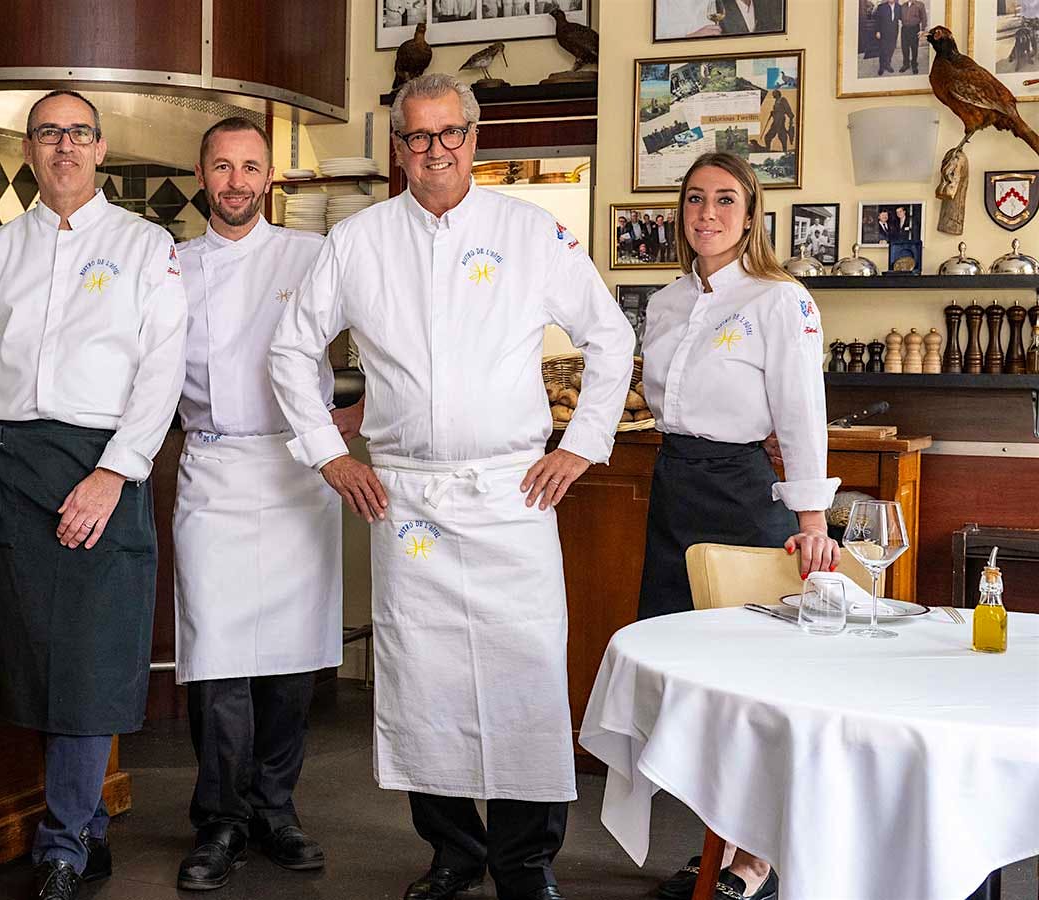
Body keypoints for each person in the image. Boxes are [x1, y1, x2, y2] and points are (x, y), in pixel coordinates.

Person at [269, 72, 634, 900]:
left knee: (525, 674)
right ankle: (453, 851)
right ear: (399, 148)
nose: (433, 151)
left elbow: (609, 337)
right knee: (422, 678)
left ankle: (524, 861)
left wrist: (581, 444)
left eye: (448, 134)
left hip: (514, 494)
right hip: (408, 501)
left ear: (475, 139)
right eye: (416, 138)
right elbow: (291, 351)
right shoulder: (358, 241)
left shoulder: (531, 231)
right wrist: (330, 453)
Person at [0, 90, 187, 900]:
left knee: (91, 658)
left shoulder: (146, 246)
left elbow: (162, 369)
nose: (65, 147)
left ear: (101, 149)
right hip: (12, 469)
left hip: (104, 461)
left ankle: (63, 845)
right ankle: (85, 827)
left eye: (79, 133)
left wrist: (114, 473)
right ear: (30, 151)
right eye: (49, 134)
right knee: (33, 659)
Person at [637, 152, 841, 900]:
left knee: (752, 684)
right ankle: (714, 845)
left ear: (751, 214)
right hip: (674, 490)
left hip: (742, 495)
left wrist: (811, 517)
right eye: (695, 199)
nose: (708, 213)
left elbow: (800, 410)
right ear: (680, 211)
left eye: (726, 200)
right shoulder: (663, 302)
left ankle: (752, 858)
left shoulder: (779, 300)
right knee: (692, 682)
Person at [170, 116, 360, 892]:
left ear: (269, 179)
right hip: (212, 464)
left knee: (289, 659)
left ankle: (275, 807)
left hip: (294, 466)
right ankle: (220, 817)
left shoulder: (313, 255)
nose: (237, 181)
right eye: (223, 166)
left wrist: (360, 417)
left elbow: (391, 337)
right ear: (202, 174)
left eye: (251, 167)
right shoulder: (170, 264)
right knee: (216, 655)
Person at [762, 88, 794, 153]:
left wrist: (791, 116)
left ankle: (784, 150)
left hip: (780, 120)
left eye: (774, 93)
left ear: (777, 94)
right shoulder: (776, 101)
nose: (772, 95)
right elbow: (777, 111)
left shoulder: (782, 100)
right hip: (775, 121)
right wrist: (773, 112)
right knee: (768, 137)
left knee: (782, 136)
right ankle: (768, 149)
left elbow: (787, 109)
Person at [899, 0, 928, 73]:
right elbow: (899, 17)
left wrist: (923, 29)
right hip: (904, 29)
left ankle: (914, 64)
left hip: (914, 29)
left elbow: (924, 17)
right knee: (904, 48)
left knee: (914, 48)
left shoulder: (920, 5)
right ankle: (906, 64)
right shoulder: (903, 6)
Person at [874, 0, 901, 74]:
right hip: (883, 32)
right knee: (883, 50)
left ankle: (888, 65)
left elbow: (902, 18)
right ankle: (881, 67)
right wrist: (877, 31)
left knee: (891, 49)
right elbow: (877, 20)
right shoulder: (881, 7)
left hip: (894, 32)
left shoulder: (899, 7)